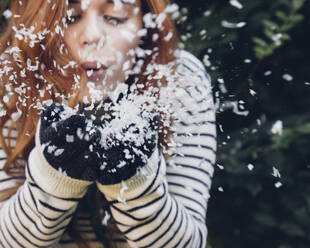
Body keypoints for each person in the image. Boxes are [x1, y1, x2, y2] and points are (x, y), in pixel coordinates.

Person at [0, 0, 216, 247]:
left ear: (145, 21)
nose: (92, 36)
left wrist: (136, 184)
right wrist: (53, 178)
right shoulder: (9, 83)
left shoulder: (178, 78)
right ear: (38, 23)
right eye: (70, 17)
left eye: (116, 16)